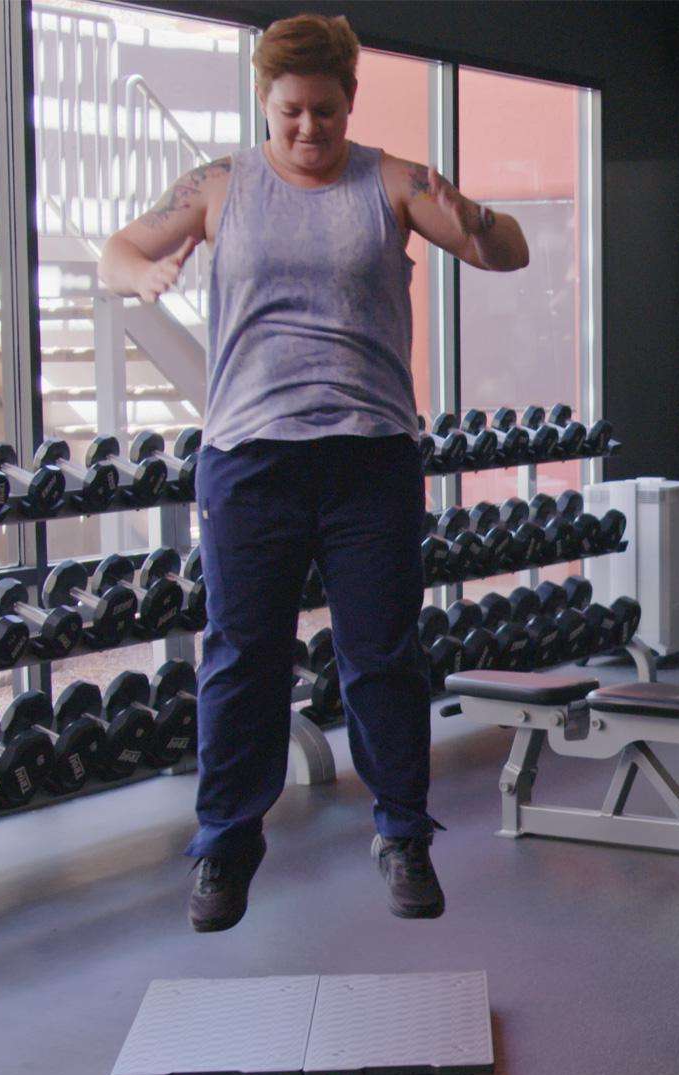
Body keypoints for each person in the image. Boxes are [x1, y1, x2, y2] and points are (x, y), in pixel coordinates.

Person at [98, 13, 529, 932]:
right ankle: (224, 846)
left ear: (350, 102)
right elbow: (118, 250)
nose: (307, 130)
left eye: (324, 112)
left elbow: (507, 249)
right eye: (291, 112)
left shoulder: (393, 180)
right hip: (249, 458)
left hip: (369, 457)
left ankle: (403, 833)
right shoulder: (221, 186)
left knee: (382, 656)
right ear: (266, 102)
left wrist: (477, 215)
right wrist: (142, 278)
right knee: (241, 658)